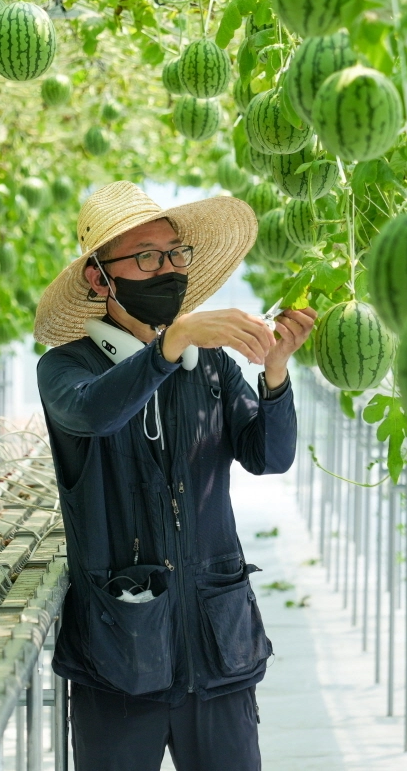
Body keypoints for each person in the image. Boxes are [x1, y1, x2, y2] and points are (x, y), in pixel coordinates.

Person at [33, 181, 316, 771]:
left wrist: (275, 374)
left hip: (217, 645)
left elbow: (269, 455)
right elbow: (96, 413)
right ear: (98, 277)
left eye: (174, 256)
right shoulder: (65, 370)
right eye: (145, 257)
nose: (166, 269)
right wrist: (167, 350)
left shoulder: (207, 365)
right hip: (118, 652)